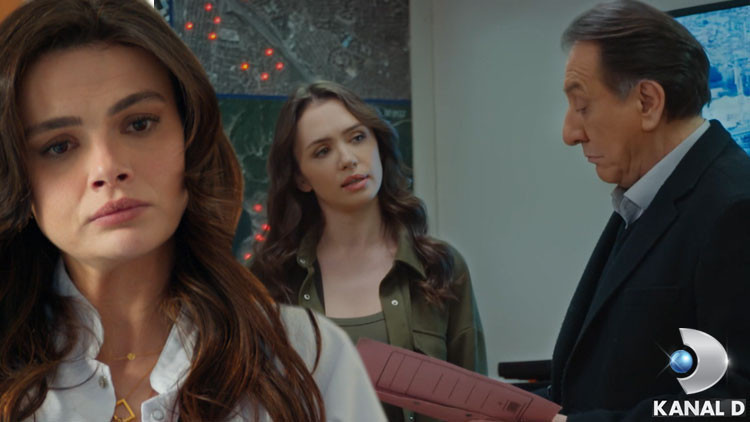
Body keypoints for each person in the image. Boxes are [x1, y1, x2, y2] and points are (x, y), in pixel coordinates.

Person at [0, 0, 385, 421]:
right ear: (15, 178)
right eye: (58, 146)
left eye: (139, 124)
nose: (107, 168)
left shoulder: (307, 359)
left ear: (191, 138)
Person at [546, 0, 750, 420]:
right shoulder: (647, 197)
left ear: (647, 102)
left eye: (582, 107)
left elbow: (732, 404)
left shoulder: (735, 210)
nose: (570, 133)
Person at [251, 81, 487, 421]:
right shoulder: (271, 279)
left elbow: (479, 410)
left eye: (357, 137)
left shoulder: (440, 267)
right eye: (322, 151)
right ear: (301, 178)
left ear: (378, 143)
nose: (348, 159)